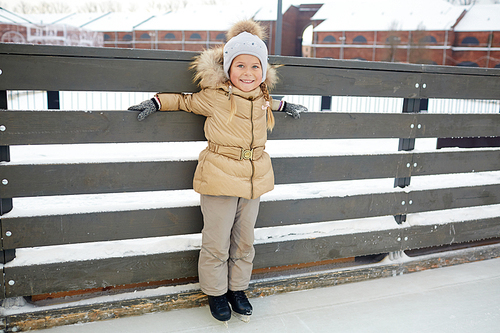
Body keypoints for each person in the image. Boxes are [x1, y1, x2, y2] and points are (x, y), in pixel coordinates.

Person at [128, 19, 307, 324]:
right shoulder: (216, 97)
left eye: (254, 67)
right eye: (240, 66)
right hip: (220, 178)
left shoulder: (262, 98)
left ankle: (237, 289)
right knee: (217, 241)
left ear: (263, 71)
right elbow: (185, 102)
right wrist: (157, 102)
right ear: (228, 69)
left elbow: (269, 104)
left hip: (254, 180)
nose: (247, 73)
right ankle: (215, 292)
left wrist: (285, 105)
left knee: (244, 240)